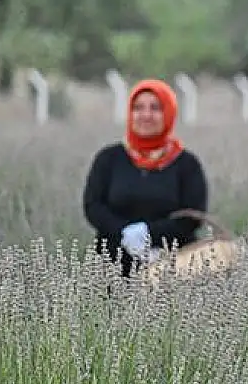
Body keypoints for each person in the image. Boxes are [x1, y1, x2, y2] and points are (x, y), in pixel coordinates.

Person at [82, 79, 209, 278]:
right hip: (112, 268)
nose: (146, 115)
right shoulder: (109, 158)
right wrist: (125, 233)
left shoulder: (186, 164)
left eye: (155, 108)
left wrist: (149, 234)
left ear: (168, 113)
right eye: (138, 108)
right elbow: (93, 206)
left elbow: (192, 216)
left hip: (174, 267)